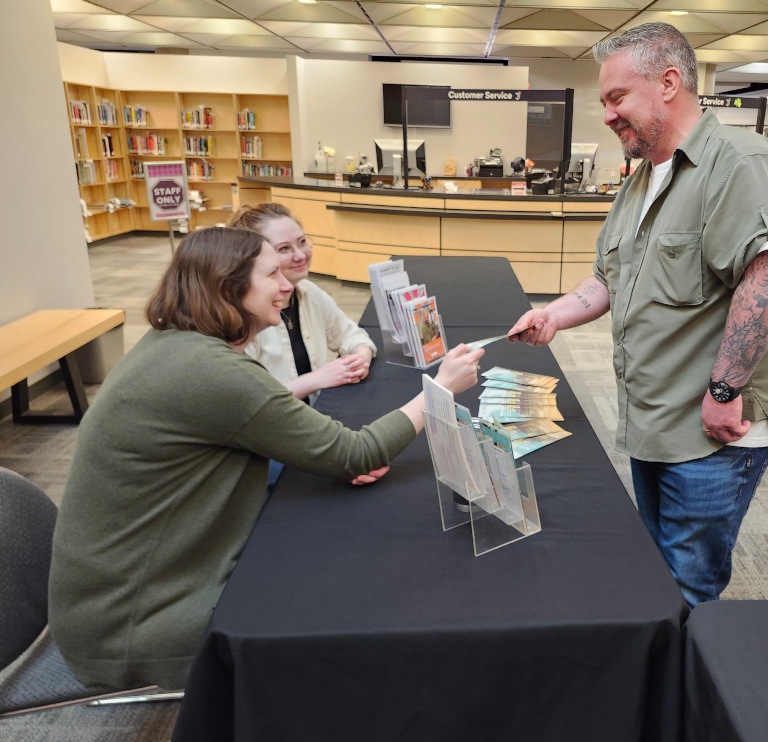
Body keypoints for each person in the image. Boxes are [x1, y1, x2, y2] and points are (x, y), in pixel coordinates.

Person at [48, 227, 483, 691]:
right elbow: (357, 453)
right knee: (361, 594)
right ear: (228, 288)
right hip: (133, 627)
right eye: (272, 273)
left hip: (119, 598)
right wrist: (438, 389)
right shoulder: (211, 371)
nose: (288, 285)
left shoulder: (176, 346)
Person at [509, 23, 768, 608]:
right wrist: (553, 316)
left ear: (669, 83)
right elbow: (606, 278)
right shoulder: (645, 178)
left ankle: (681, 692)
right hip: (656, 419)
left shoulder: (741, 163)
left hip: (714, 430)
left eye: (616, 98)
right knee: (656, 568)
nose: (606, 115)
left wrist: (725, 389)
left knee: (688, 583)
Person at [228, 203, 375, 405]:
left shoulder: (309, 292)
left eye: (302, 242)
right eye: (284, 248)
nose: (301, 255)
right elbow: (248, 402)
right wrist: (316, 379)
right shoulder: (243, 316)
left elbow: (351, 335)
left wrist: (360, 358)